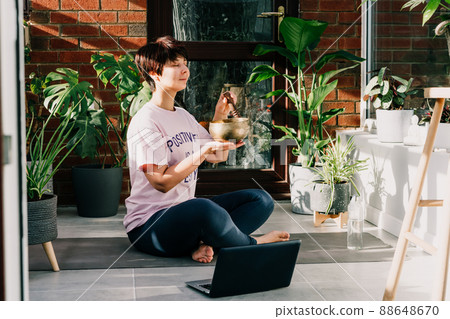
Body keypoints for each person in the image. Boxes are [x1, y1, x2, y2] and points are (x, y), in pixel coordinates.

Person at [125, 36, 289, 263]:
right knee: (203, 208)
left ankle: (206, 245)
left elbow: (217, 156)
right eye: (175, 65)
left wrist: (220, 115)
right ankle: (253, 243)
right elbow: (161, 183)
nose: (184, 70)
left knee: (260, 200)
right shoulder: (146, 121)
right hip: (150, 226)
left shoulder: (182, 115)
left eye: (185, 64)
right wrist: (201, 152)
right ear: (154, 73)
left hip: (185, 216)